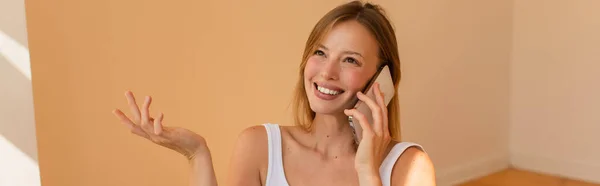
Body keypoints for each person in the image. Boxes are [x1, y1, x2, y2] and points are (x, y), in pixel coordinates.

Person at [112, 1, 436, 186]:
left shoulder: (408, 167)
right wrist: (196, 154)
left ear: (382, 80)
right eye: (320, 53)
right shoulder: (260, 147)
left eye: (350, 60)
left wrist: (368, 172)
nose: (327, 72)